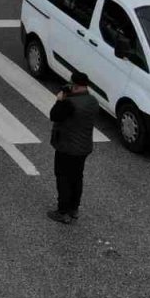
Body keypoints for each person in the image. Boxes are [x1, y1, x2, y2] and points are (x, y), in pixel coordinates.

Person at [47, 71, 100, 224]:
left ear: (76, 87)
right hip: (83, 147)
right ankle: (74, 209)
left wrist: (60, 100)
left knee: (63, 178)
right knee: (77, 178)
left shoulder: (70, 104)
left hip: (67, 147)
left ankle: (62, 211)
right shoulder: (93, 101)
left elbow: (54, 116)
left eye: (71, 84)